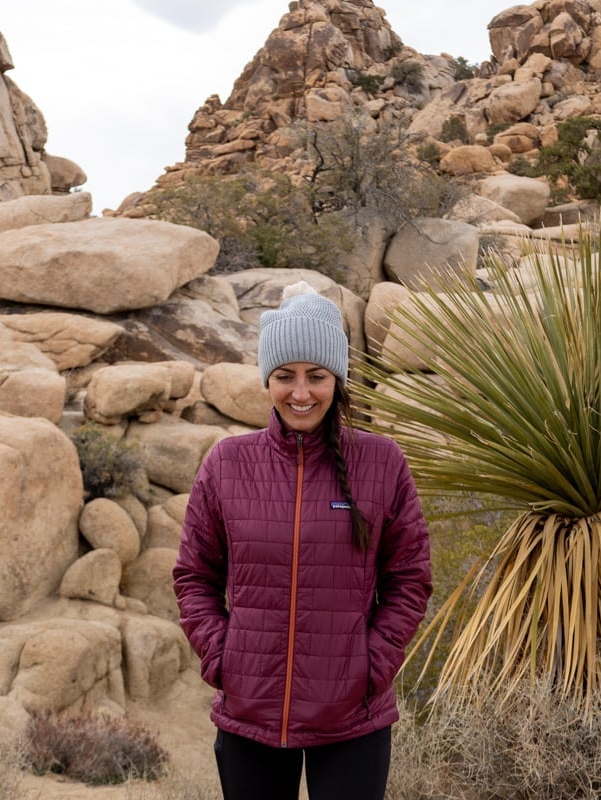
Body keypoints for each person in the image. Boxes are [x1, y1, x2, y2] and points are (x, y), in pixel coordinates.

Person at [173, 281, 433, 800]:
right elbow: (194, 576)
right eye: (285, 376)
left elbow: (410, 580)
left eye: (316, 376)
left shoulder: (382, 463)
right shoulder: (228, 464)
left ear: (337, 379)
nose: (300, 392)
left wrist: (372, 663)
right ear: (267, 379)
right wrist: (223, 657)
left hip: (352, 718)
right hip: (251, 715)